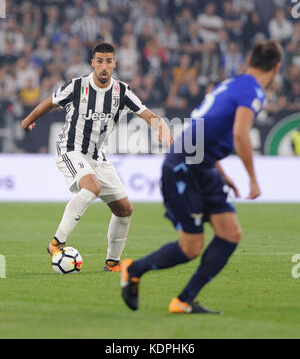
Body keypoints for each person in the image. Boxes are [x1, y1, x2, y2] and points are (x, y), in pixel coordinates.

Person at [121, 40, 283, 313]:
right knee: (191, 247)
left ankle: (183, 301)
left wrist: (222, 172)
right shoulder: (253, 91)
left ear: (249, 61)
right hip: (183, 168)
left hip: (204, 167)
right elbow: (240, 134)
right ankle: (133, 269)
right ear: (277, 68)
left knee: (230, 234)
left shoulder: (232, 84)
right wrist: (253, 179)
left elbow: (205, 132)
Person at [21, 43, 173, 272]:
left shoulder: (122, 92)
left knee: (124, 209)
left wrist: (161, 127)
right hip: (70, 149)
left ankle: (112, 263)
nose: (104, 66)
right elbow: (50, 103)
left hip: (96, 156)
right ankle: (56, 243)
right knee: (92, 186)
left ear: (114, 64)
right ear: (92, 63)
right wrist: (27, 120)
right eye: (99, 61)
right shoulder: (77, 86)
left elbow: (148, 114)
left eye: (108, 61)